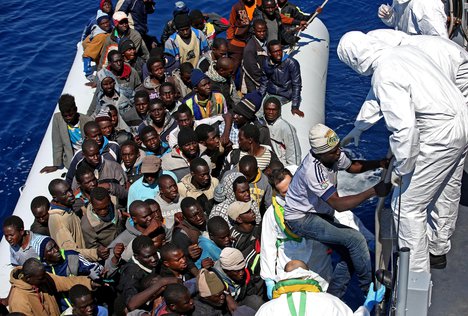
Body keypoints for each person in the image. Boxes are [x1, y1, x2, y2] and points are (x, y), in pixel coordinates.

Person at [337, 31, 468, 272]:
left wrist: (401, 169)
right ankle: (438, 249)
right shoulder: (402, 54)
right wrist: (360, 126)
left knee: (406, 207)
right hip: (461, 121)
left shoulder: (384, 74)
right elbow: (377, 98)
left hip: (439, 136)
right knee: (448, 187)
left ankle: (416, 275)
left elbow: (405, 130)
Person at [283, 123, 391, 298]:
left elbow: (352, 167)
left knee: (350, 253)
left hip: (318, 213)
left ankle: (333, 297)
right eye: (333, 151)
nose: (339, 153)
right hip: (300, 218)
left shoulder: (333, 153)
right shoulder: (313, 170)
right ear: (320, 154)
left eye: (338, 148)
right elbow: (338, 204)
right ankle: (370, 289)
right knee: (356, 240)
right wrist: (373, 191)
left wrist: (379, 163)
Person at [256, 261, 385, 316]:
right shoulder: (330, 302)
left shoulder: (267, 309)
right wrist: (367, 306)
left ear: (283, 279)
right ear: (309, 276)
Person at [8, 258, 95, 316]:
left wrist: (90, 282)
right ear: (28, 278)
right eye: (41, 278)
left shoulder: (41, 277)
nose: (46, 280)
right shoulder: (19, 301)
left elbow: (66, 282)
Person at [116, 236, 177, 315]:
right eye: (147, 257)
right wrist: (162, 282)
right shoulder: (131, 273)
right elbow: (131, 304)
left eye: (154, 254)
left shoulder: (156, 255)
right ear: (137, 257)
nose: (153, 259)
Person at [48, 179, 104, 262]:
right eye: (65, 193)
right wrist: (95, 253)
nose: (70, 194)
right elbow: (71, 252)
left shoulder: (66, 208)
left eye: (70, 190)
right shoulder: (59, 222)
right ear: (55, 198)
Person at [41, 94, 92, 173]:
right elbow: (57, 142)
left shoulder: (87, 121)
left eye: (71, 115)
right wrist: (56, 165)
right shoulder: (57, 119)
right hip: (72, 157)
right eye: (65, 116)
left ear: (75, 110)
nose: (68, 118)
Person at [259, 39, 303, 117]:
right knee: (257, 111)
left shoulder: (291, 63)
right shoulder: (266, 62)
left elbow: (296, 85)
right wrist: (259, 97)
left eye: (280, 50)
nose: (278, 53)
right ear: (269, 54)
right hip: (270, 92)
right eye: (275, 52)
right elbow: (264, 82)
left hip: (284, 94)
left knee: (268, 110)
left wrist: (295, 106)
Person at [262, 96, 301, 165]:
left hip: (281, 167)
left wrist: (292, 170)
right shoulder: (261, 124)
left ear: (279, 110)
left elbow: (294, 153)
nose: (270, 112)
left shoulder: (285, 127)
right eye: (268, 109)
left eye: (274, 110)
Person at [172, 197, 207, 274]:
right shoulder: (181, 234)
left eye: (199, 212)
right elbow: (186, 262)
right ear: (185, 217)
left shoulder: (206, 218)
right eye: (193, 216)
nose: (198, 218)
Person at [377, 0, 448, 37]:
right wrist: (389, 16)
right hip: (407, 53)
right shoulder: (401, 1)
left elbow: (441, 43)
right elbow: (398, 21)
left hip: (421, 59)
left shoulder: (426, 4)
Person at [82, 11, 112, 79]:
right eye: (102, 24)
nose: (105, 25)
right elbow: (87, 54)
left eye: (107, 22)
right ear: (99, 25)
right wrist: (88, 73)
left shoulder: (109, 30)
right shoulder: (100, 36)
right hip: (99, 56)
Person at [241, 19, 268, 93]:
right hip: (253, 83)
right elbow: (252, 70)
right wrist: (264, 83)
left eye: (264, 31)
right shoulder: (250, 48)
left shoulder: (265, 41)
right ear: (254, 31)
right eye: (259, 32)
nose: (262, 33)